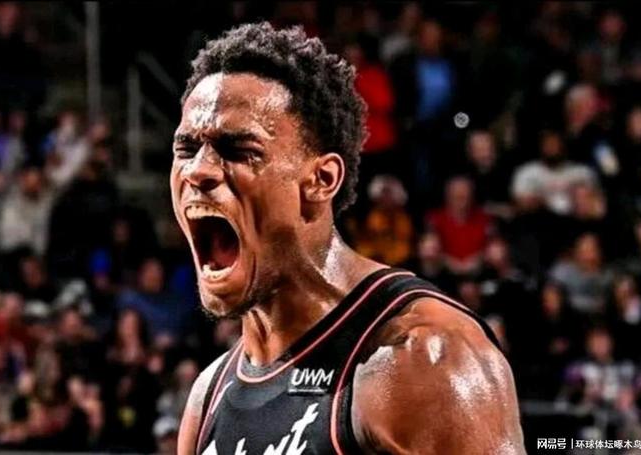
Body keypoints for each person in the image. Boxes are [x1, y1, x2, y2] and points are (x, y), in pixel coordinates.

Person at [173, 23, 524, 455]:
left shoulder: (425, 357)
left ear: (321, 180)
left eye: (238, 149)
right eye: (186, 149)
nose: (197, 170)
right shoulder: (208, 396)